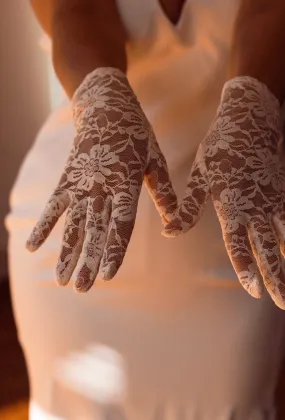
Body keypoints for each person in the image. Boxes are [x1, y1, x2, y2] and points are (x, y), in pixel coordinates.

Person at [6, 0, 285, 418]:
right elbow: (74, 10)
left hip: (238, 213)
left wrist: (252, 104)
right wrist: (101, 96)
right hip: (88, 196)